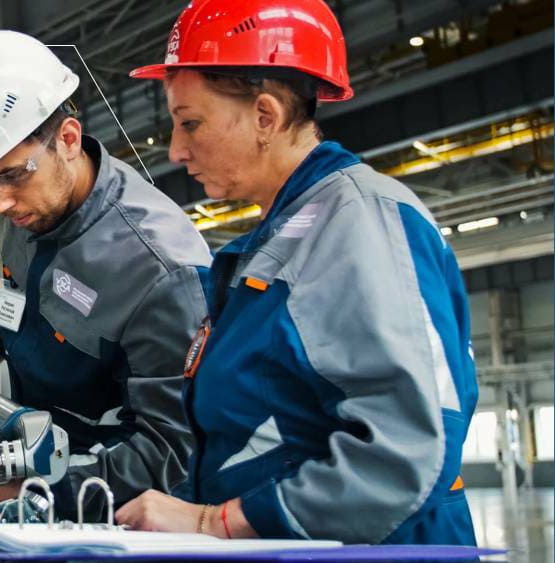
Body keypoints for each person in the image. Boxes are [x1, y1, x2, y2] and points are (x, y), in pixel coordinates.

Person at [115, 0, 478, 546]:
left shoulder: (358, 221)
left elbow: (405, 452)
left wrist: (215, 523)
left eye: (190, 123)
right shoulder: (280, 239)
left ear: (266, 116)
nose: (176, 149)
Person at [0, 30, 212, 520]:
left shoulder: (160, 269)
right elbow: (21, 299)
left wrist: (38, 497)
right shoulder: (33, 210)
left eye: (12, 175)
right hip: (37, 463)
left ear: (69, 140)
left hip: (108, 506)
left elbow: (174, 453)